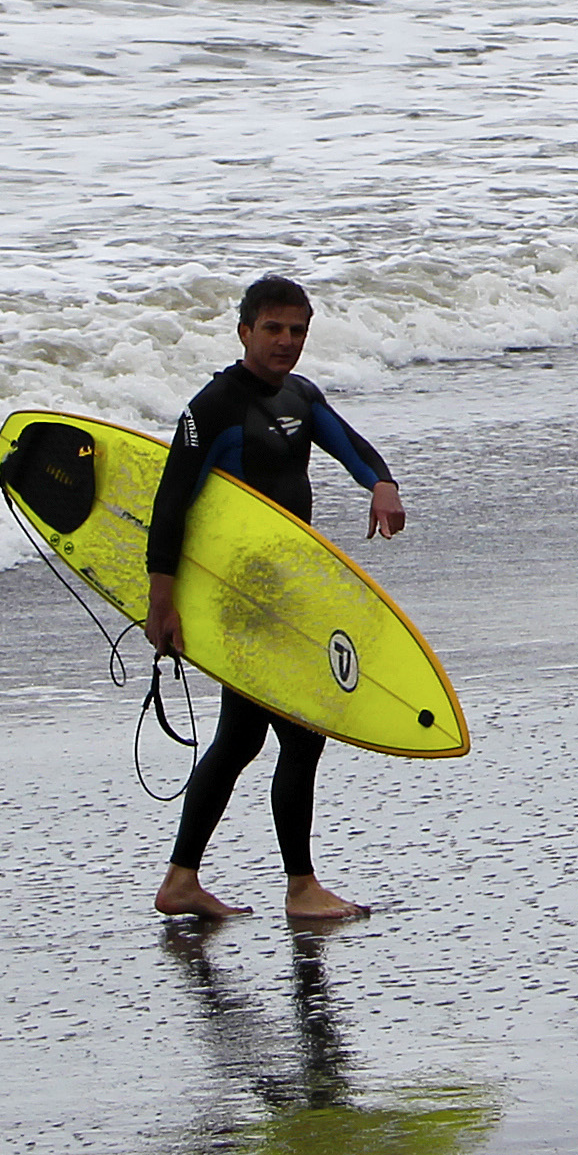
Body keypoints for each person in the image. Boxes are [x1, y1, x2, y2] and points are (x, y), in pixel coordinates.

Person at [142, 273, 405, 922]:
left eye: (297, 331)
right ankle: (300, 888)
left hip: (288, 594)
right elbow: (170, 508)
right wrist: (162, 604)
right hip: (241, 598)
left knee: (239, 740)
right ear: (243, 332)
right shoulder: (213, 410)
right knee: (302, 733)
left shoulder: (299, 395)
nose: (286, 342)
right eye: (273, 330)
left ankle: (182, 880)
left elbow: (351, 447)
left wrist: (382, 484)